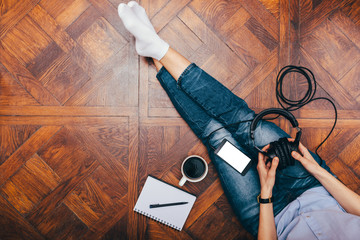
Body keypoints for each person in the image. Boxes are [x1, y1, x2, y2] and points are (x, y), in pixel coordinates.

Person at [118, 2, 360, 239]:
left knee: (218, 137)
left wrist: (265, 192)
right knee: (242, 119)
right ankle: (155, 47)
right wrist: (316, 170)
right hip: (310, 183)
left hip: (268, 215)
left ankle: (153, 45)